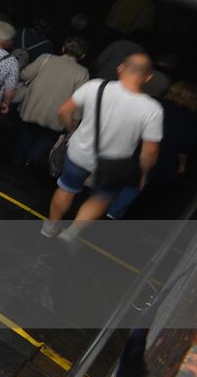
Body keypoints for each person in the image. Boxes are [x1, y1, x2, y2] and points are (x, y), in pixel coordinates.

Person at [44, 54, 163, 239]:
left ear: (120, 68)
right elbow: (151, 150)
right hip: (115, 164)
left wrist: (72, 130)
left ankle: (50, 227)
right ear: (148, 77)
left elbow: (64, 111)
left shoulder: (95, 86)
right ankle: (71, 233)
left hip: (80, 152)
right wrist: (143, 173)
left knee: (67, 188)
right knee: (101, 197)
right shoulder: (152, 109)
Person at [107, 82, 197, 219]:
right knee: (135, 185)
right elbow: (183, 148)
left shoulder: (152, 102)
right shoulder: (191, 120)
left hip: (132, 148)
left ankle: (98, 204)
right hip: (158, 159)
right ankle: (114, 212)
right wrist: (181, 166)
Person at [13, 38, 90, 168]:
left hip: (34, 106)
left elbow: (25, 75)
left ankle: (16, 160)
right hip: (57, 115)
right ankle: (30, 160)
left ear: (63, 49)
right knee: (47, 138)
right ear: (83, 56)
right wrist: (75, 120)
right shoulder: (83, 73)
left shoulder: (45, 58)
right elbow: (79, 99)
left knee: (26, 133)